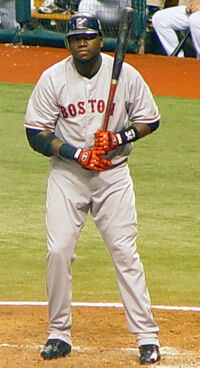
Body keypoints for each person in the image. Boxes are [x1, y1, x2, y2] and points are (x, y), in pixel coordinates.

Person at [24, 12, 161, 365]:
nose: (81, 42)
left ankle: (146, 337)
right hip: (68, 176)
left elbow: (150, 119)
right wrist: (76, 152)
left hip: (112, 176)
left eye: (88, 36)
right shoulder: (52, 78)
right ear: (68, 43)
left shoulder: (126, 75)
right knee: (57, 251)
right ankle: (58, 333)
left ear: (101, 40)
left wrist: (120, 136)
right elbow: (35, 133)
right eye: (75, 38)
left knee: (124, 252)